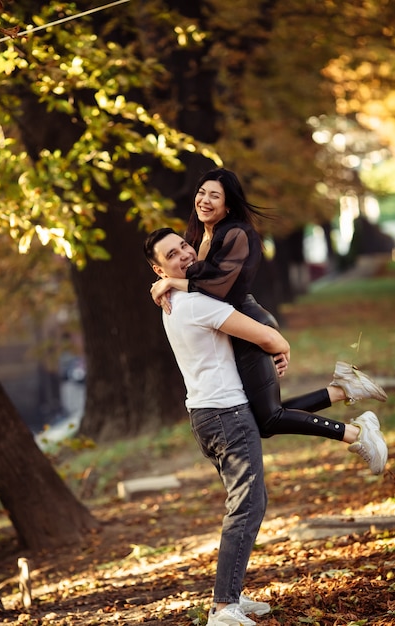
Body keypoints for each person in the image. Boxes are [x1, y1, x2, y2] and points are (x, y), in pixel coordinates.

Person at [143, 229, 386, 626]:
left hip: (207, 415)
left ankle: (231, 596)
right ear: (158, 268)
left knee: (258, 458)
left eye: (185, 246)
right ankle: (224, 608)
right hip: (226, 416)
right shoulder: (194, 303)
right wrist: (279, 347)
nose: (184, 254)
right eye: (172, 255)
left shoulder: (175, 301)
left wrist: (175, 279)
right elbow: (267, 336)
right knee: (247, 507)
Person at [150, 169, 388, 473]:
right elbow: (192, 280)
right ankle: (344, 390)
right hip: (237, 327)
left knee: (269, 418)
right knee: (265, 415)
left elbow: (216, 286)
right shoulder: (203, 238)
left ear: (229, 206)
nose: (205, 200)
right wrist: (164, 281)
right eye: (202, 192)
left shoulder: (235, 233)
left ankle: (358, 434)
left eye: (215, 196)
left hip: (248, 324)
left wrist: (170, 283)